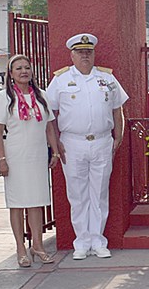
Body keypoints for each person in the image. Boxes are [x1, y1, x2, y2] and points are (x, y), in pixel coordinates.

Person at [47, 33, 129, 260]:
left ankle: (98, 240)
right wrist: (56, 145)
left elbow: (117, 109)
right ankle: (81, 242)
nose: (85, 55)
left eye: (88, 52)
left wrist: (118, 136)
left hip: (102, 141)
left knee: (100, 193)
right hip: (72, 143)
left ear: (93, 54)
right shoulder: (60, 80)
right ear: (72, 55)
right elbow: (49, 115)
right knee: (77, 194)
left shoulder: (107, 79)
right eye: (80, 52)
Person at [0, 54, 60, 267]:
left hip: (37, 156)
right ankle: (21, 248)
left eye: (27, 67)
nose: (24, 71)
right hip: (15, 157)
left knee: (36, 202)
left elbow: (50, 126)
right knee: (17, 204)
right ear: (11, 74)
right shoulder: (3, 97)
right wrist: (1, 159)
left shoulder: (41, 95)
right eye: (18, 68)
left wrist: (55, 152)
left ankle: (38, 245)